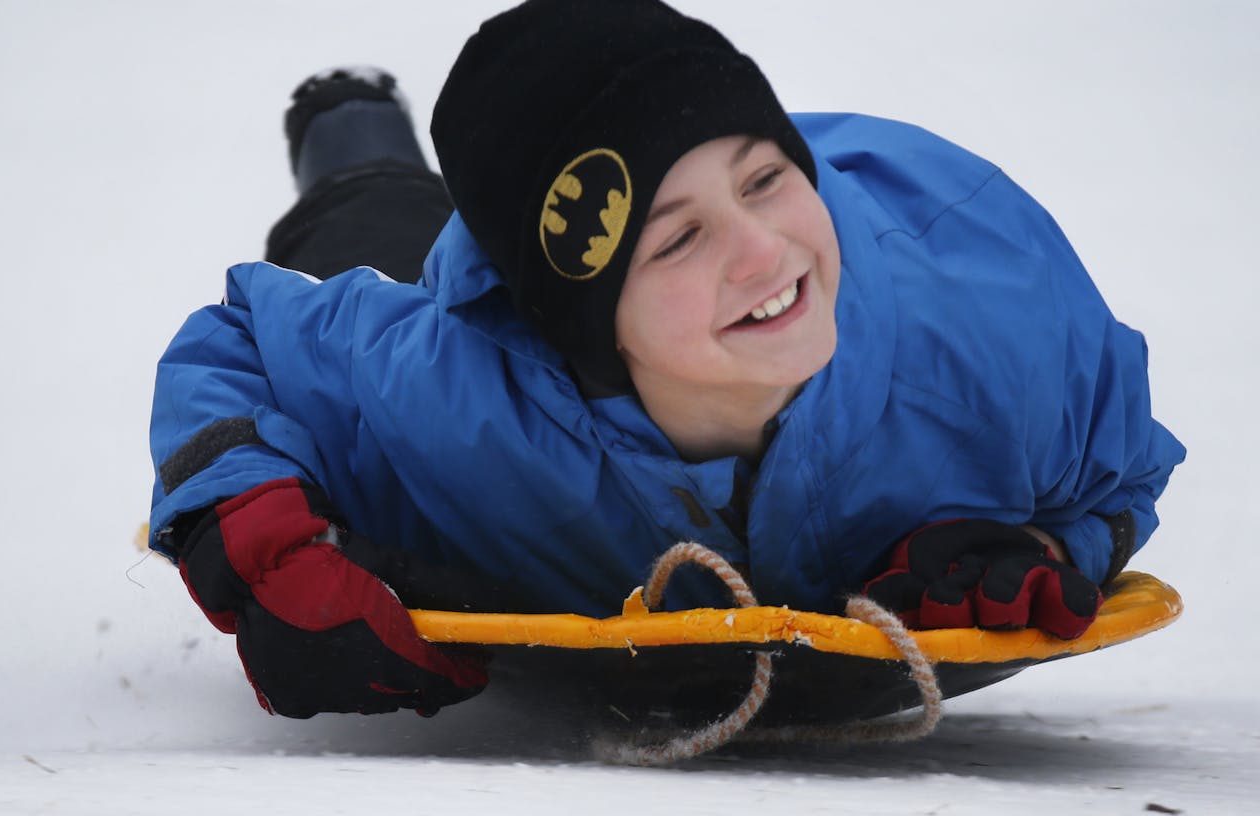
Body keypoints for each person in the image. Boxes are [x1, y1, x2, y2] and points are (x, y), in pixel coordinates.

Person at [148, 0, 1185, 720]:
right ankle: (355, 124)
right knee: (370, 240)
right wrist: (258, 551)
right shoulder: (455, 396)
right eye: (679, 240)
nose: (761, 251)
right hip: (478, 324)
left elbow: (1118, 473)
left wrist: (1046, 550)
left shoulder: (993, 335)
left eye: (767, 181)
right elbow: (239, 344)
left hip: (908, 235)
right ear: (584, 326)